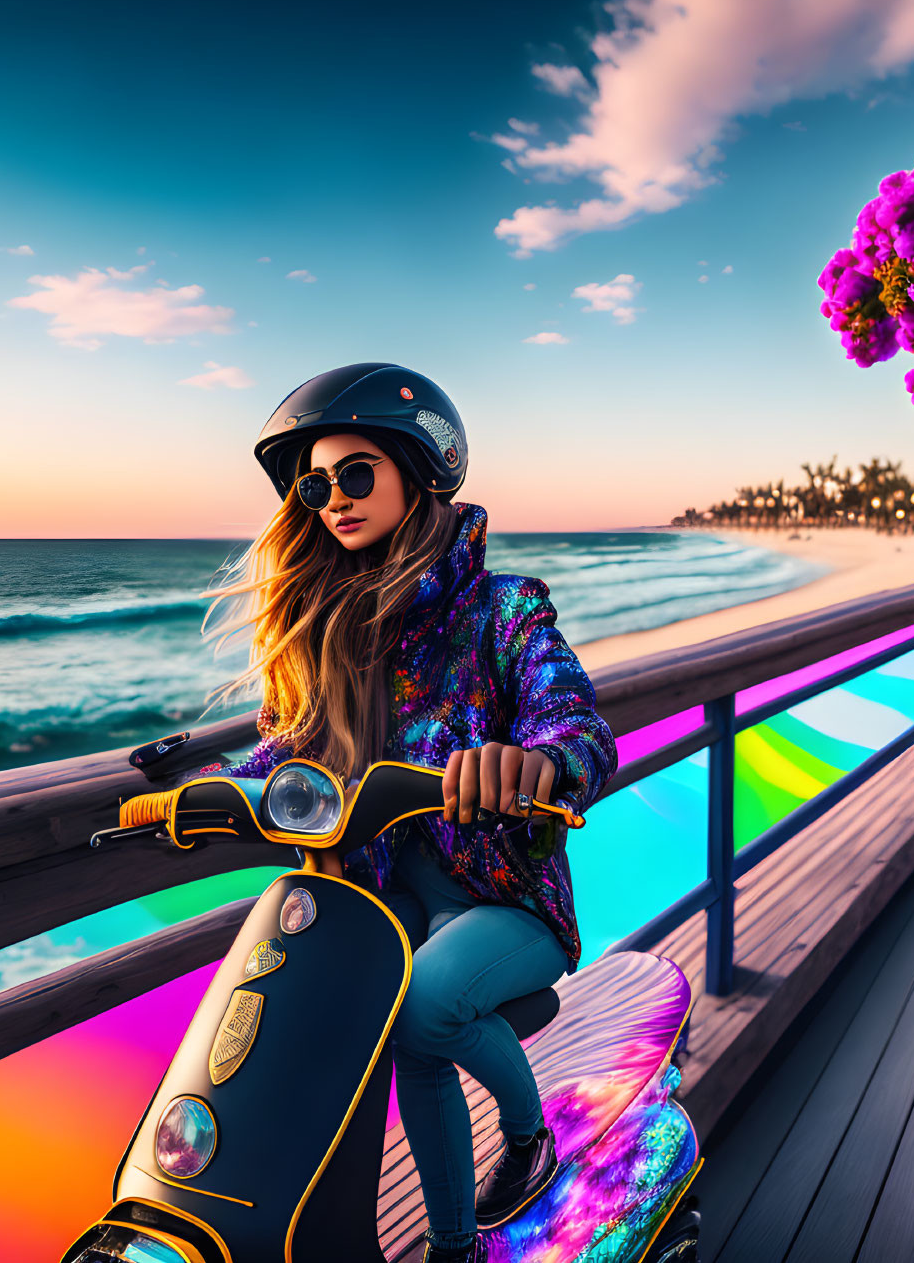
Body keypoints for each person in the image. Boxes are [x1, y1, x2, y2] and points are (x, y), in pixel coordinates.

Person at [196, 362, 618, 1263]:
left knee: (422, 1003)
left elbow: (577, 726)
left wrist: (532, 763)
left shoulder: (503, 609)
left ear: (419, 469)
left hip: (507, 901)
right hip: (393, 908)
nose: (333, 499)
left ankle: (529, 1132)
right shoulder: (327, 627)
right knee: (400, 1037)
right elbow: (288, 745)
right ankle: (454, 1247)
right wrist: (201, 791)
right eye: (314, 485)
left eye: (356, 474)